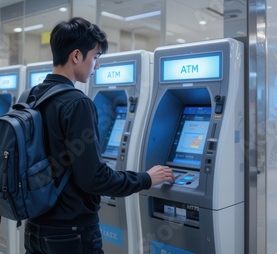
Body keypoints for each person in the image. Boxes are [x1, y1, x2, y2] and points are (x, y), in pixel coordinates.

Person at [24, 17, 175, 254]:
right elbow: (94, 178)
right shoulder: (77, 104)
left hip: (34, 228)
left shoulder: (31, 96)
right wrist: (146, 178)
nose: (97, 66)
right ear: (76, 56)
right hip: (71, 234)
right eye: (95, 57)